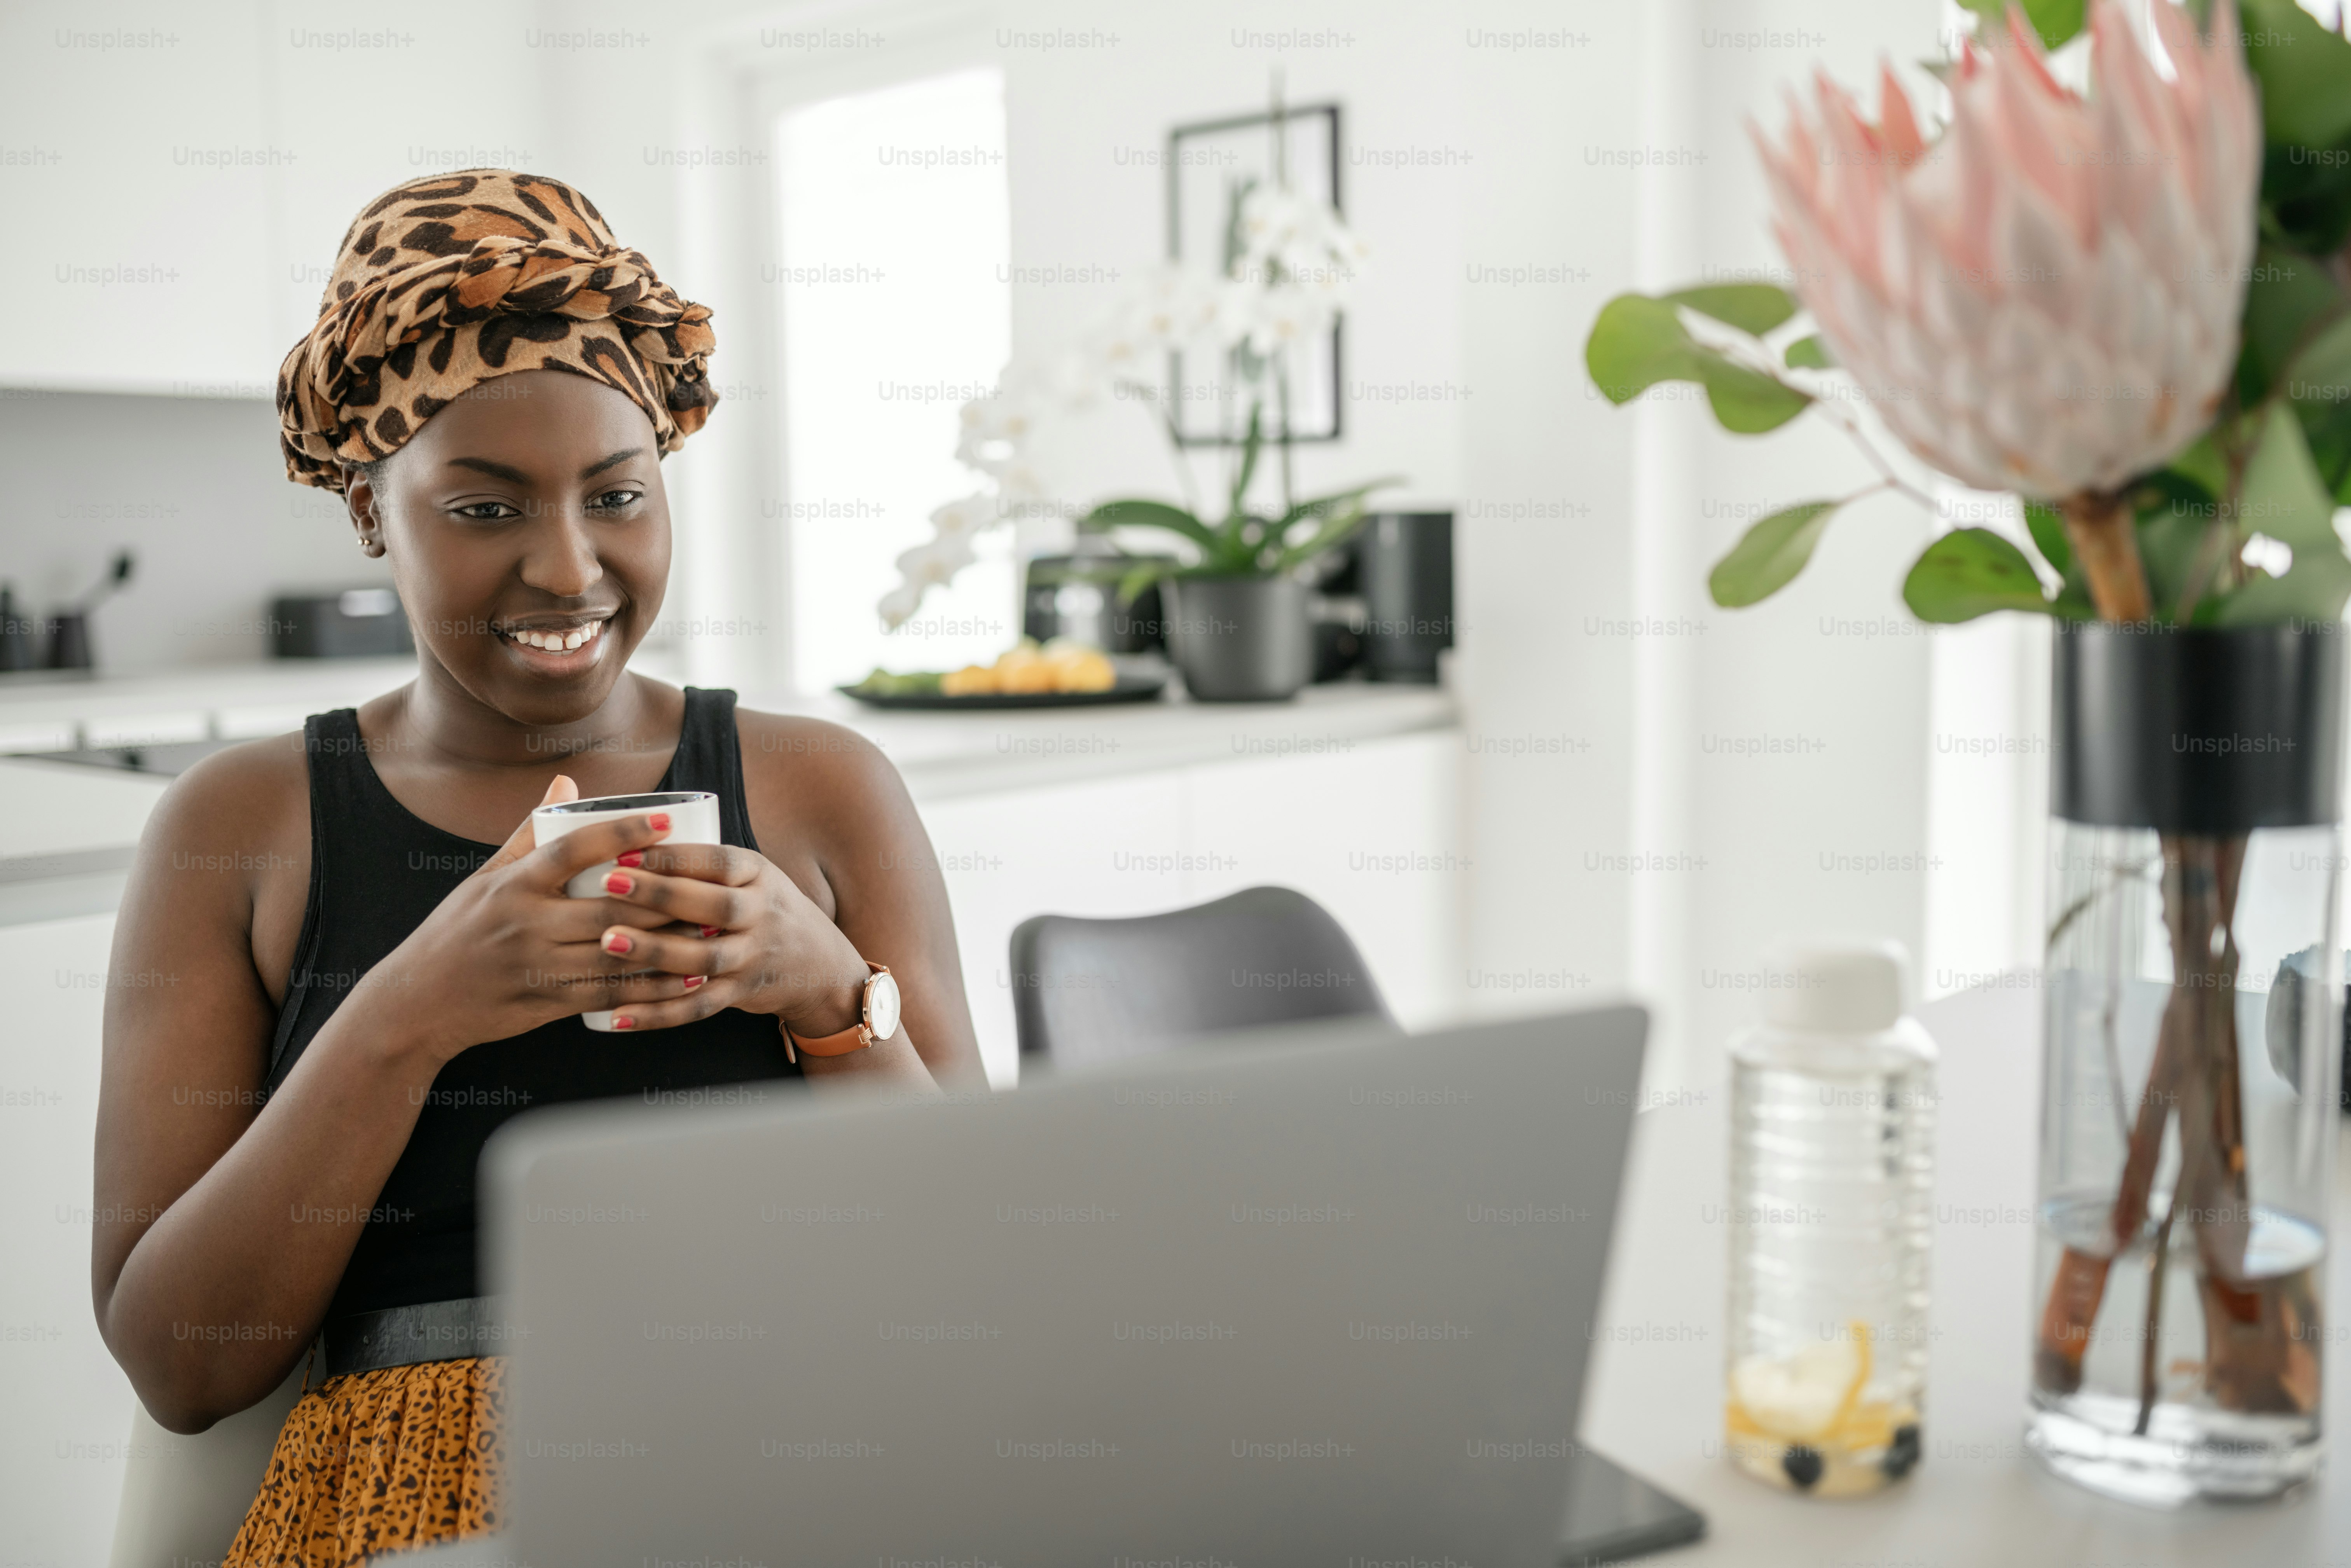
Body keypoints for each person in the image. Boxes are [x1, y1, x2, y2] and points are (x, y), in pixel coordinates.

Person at [89, 169, 984, 1566]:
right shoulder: (244, 825)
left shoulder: (824, 789)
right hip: (419, 1500)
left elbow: (976, 1268)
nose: (570, 570)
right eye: (486, 510)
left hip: (807, 1449)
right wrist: (413, 1010)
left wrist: (827, 994)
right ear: (373, 513)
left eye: (617, 496)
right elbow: (182, 1365)